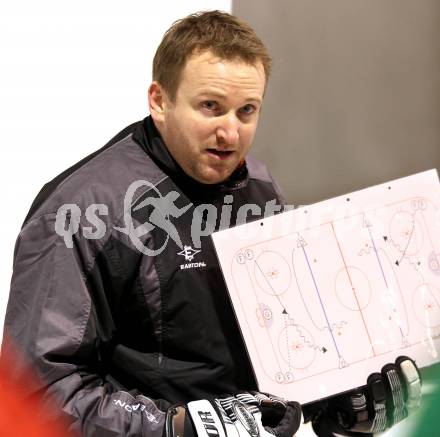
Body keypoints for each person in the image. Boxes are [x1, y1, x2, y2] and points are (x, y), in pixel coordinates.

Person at [1, 10, 421, 437]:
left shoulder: (260, 187)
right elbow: (34, 390)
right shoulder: (79, 213)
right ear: (159, 101)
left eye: (246, 111)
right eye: (210, 107)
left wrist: (341, 403)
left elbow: (288, 347)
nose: (230, 133)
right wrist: (176, 429)